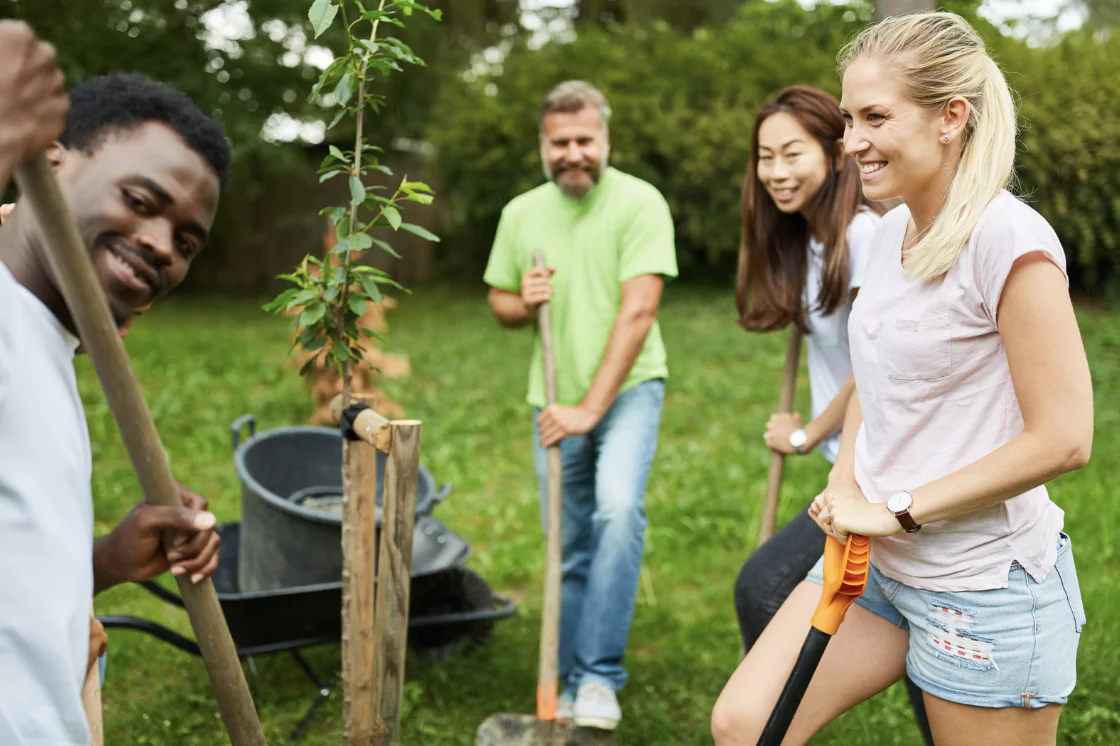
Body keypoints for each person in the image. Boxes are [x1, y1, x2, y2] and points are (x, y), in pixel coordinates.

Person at [711, 11, 1093, 746]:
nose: (851, 142)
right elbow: (873, 379)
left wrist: (898, 508)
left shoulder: (1009, 241)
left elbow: (1065, 438)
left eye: (875, 117)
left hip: (981, 585)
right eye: (850, 118)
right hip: (878, 567)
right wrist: (850, 482)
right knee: (744, 724)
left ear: (952, 117)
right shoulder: (888, 233)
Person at [0, 25, 233, 744]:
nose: (163, 246)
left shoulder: (45, 341)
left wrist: (99, 561)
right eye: (140, 200)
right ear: (49, 159)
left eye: (186, 240)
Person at [483, 80, 678, 730]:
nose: (573, 153)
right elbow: (500, 304)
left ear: (606, 141)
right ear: (543, 145)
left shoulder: (639, 203)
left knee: (618, 511)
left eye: (584, 141)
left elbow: (639, 310)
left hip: (626, 392)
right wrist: (525, 299)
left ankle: (598, 676)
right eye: (560, 142)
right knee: (566, 544)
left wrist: (590, 409)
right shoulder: (521, 214)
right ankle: (561, 683)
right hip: (553, 397)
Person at [730, 85, 884, 654]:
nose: (776, 171)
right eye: (765, 157)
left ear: (834, 152)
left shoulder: (863, 234)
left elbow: (876, 362)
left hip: (878, 465)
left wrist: (805, 433)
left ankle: (772, 715)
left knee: (763, 587)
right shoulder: (813, 239)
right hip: (854, 465)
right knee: (912, 623)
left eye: (792, 153)